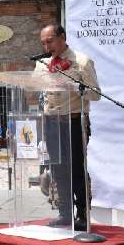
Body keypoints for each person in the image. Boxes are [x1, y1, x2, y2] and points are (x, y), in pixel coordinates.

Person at [34, 23, 100, 231]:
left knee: (76, 168)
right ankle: (64, 212)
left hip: (74, 120)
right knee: (58, 169)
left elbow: (95, 94)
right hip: (51, 121)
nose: (47, 47)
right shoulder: (42, 64)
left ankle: (82, 214)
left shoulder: (81, 61)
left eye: (50, 41)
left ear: (62, 37)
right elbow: (35, 87)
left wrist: (72, 86)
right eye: (43, 43)